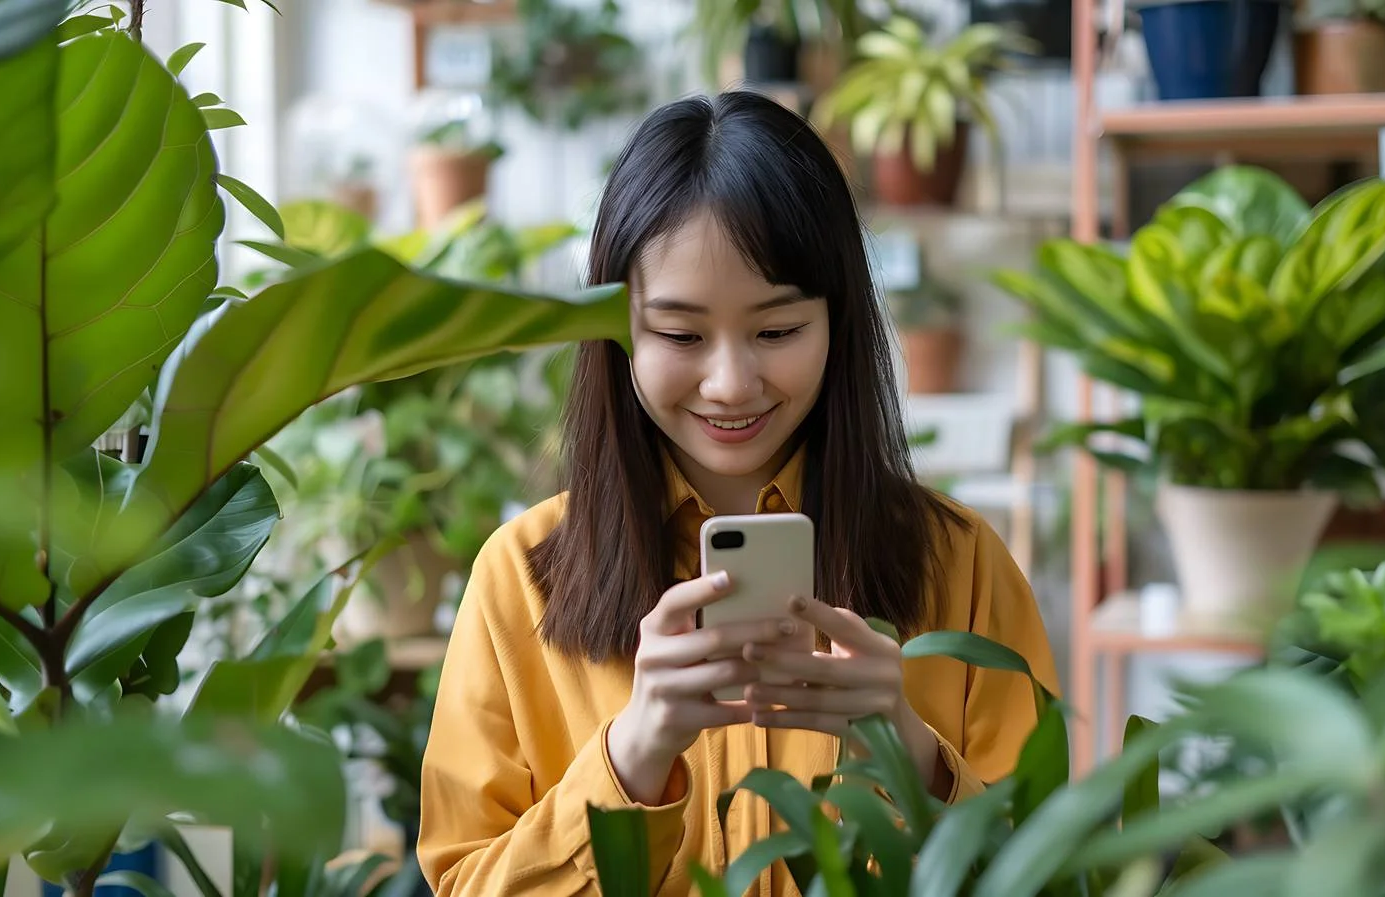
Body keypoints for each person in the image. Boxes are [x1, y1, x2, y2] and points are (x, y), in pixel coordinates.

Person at [417, 90, 1059, 897]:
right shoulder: (519, 577)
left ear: (838, 322)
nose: (731, 383)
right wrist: (633, 754)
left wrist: (907, 748)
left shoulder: (961, 565)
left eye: (777, 330)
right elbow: (464, 882)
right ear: (617, 332)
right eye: (681, 335)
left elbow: (1052, 866)